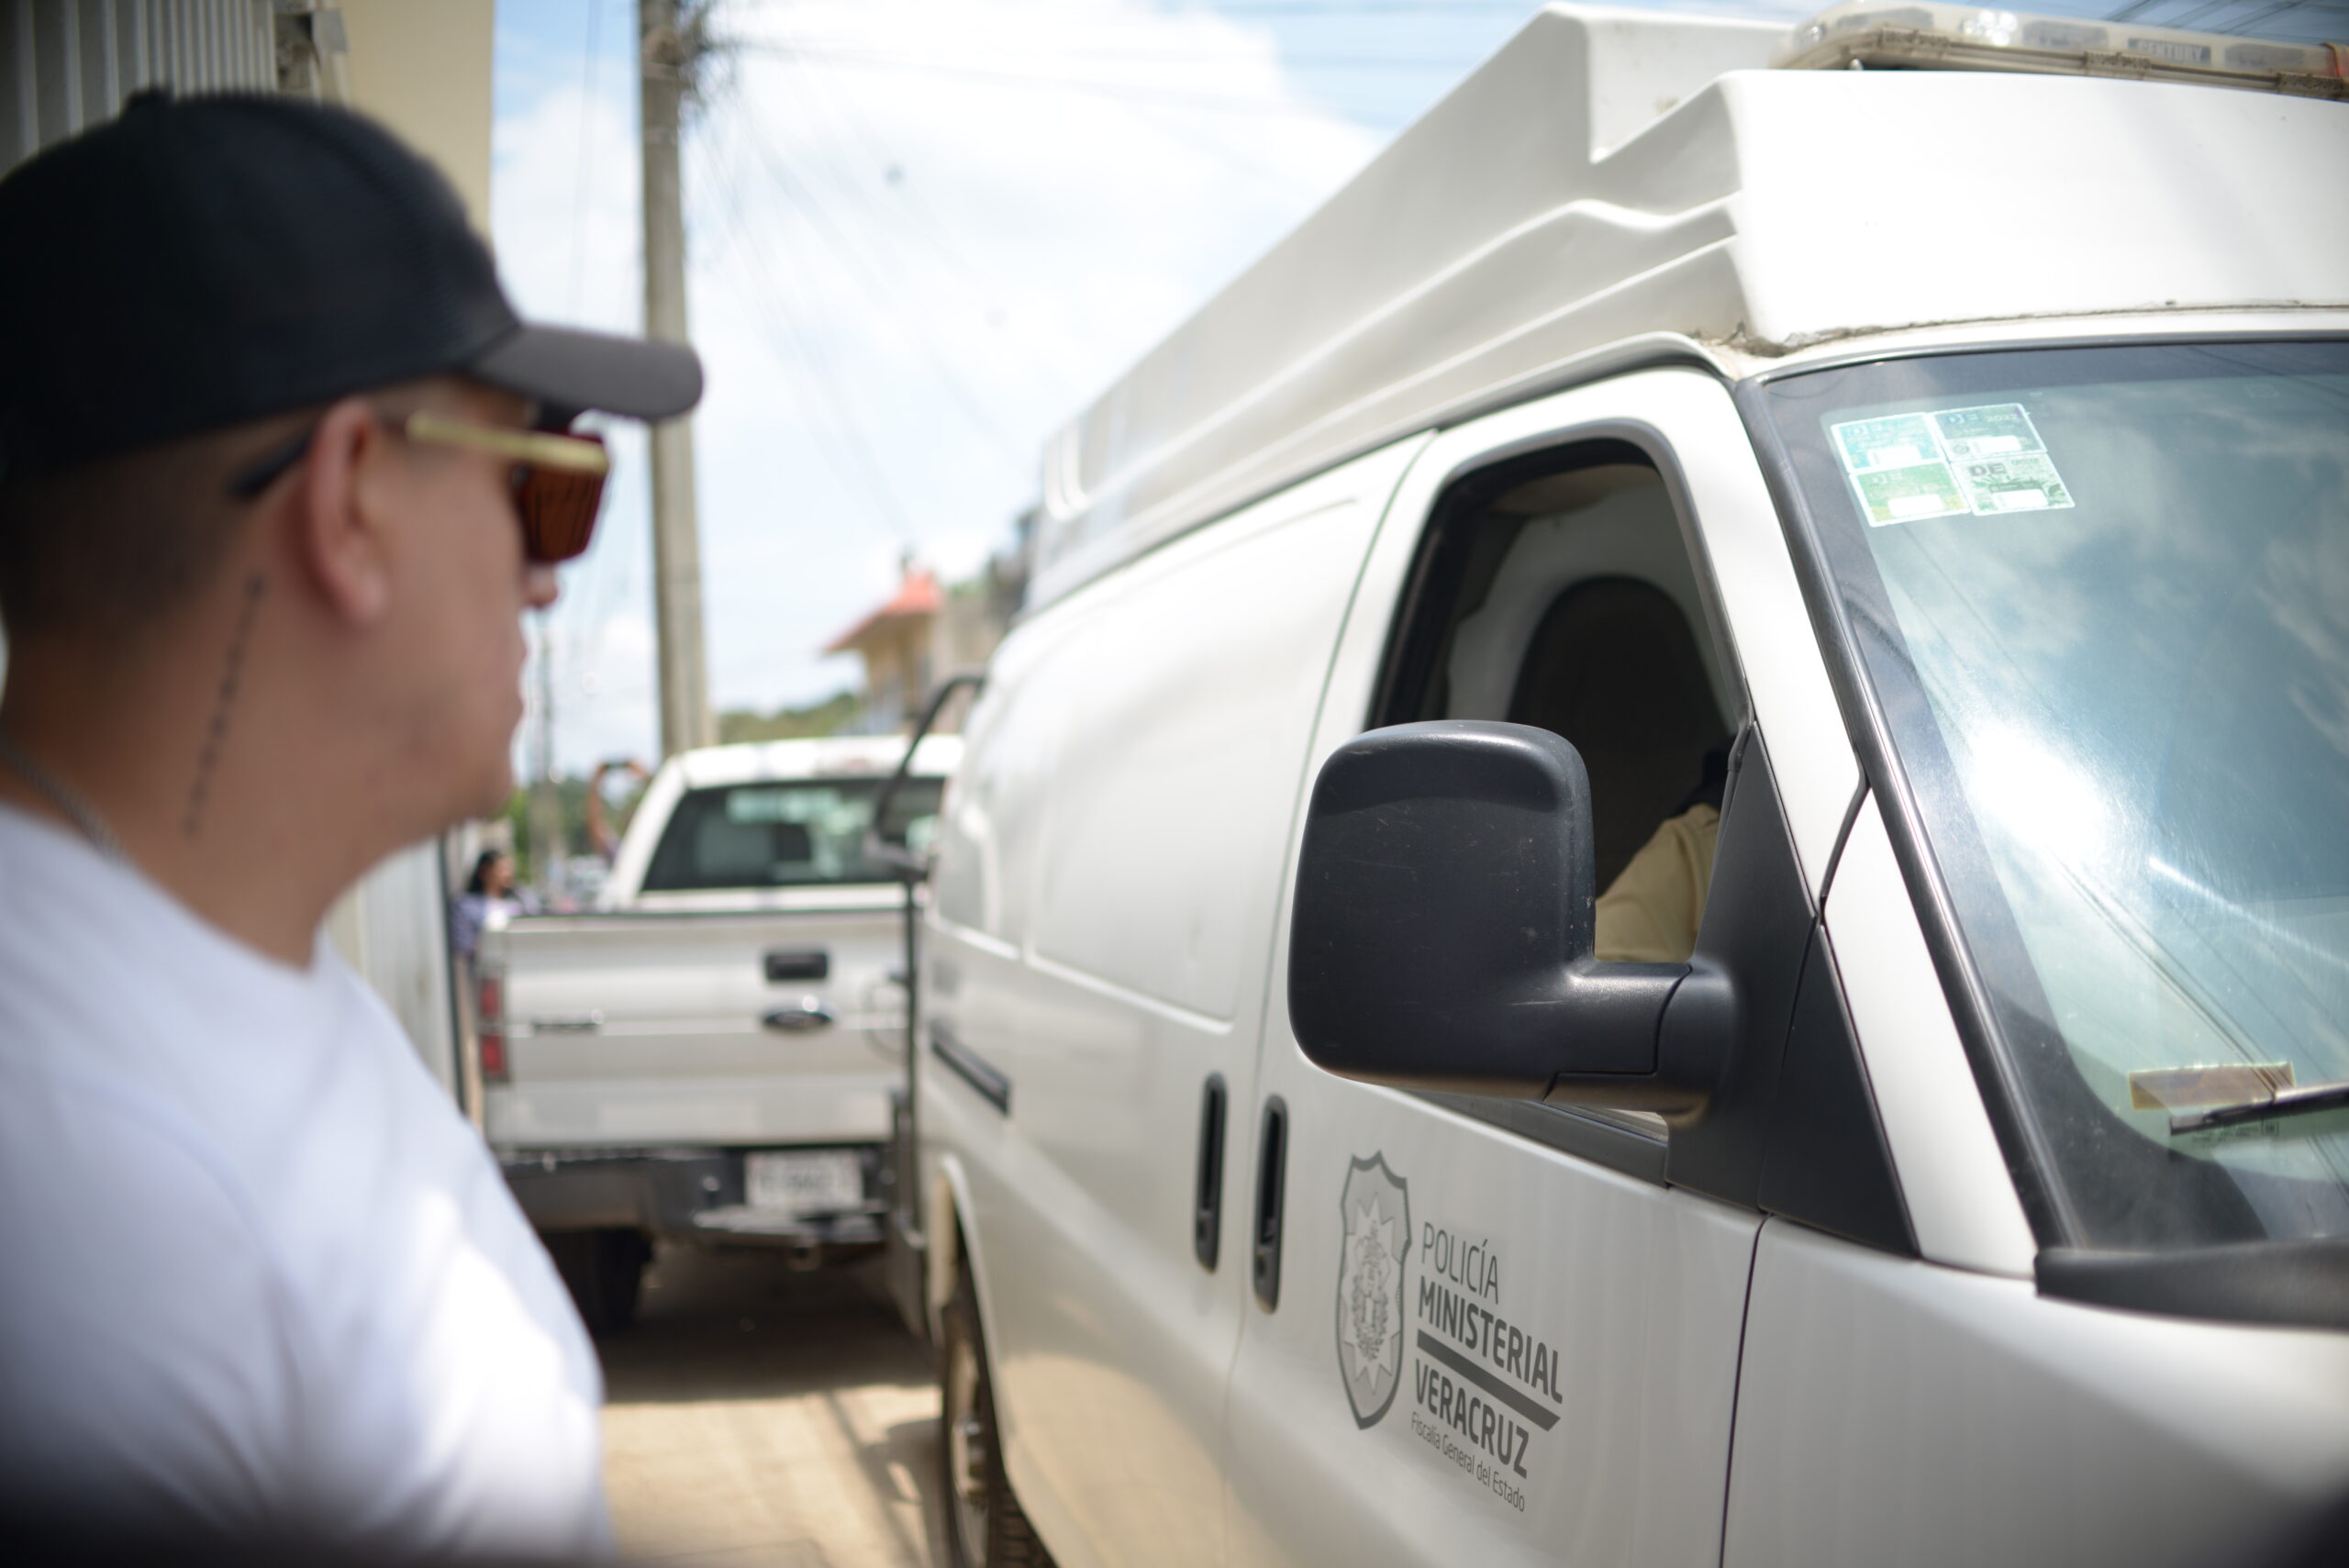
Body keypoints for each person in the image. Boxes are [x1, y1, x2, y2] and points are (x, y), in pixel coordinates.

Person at [0, 94, 702, 1556]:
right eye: (538, 487)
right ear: (350, 501)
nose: (546, 579)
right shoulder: (80, 1196)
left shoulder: (227, 970)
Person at [451, 847, 535, 963]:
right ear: (484, 872)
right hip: (487, 967)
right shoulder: (466, 906)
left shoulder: (519, 901)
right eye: (501, 869)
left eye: (509, 869)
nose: (507, 874)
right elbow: (464, 944)